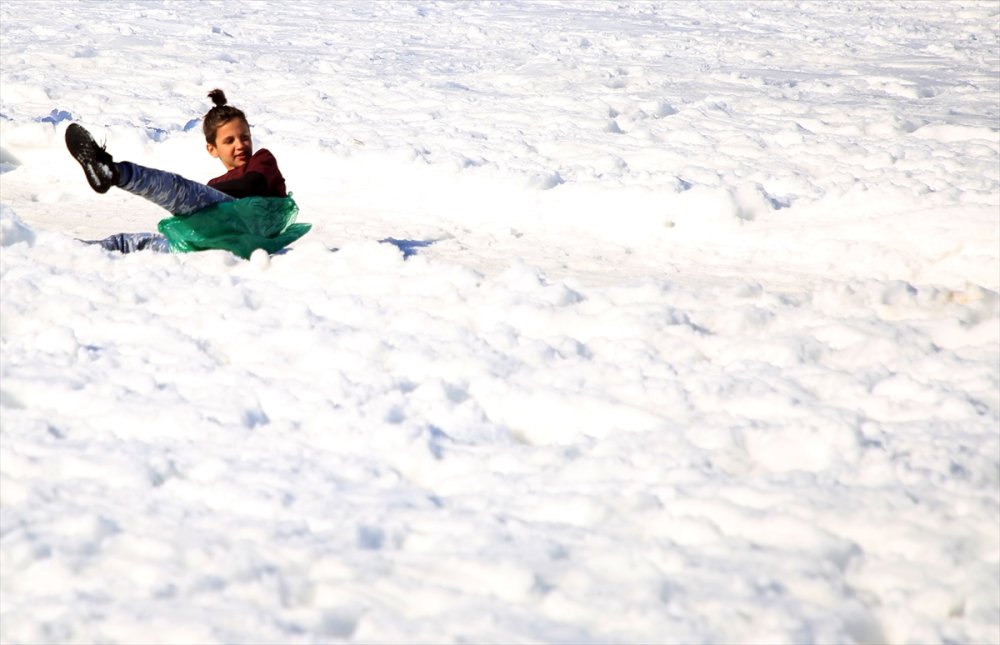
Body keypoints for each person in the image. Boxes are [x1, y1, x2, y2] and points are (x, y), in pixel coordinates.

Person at [67, 89, 305, 255]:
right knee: (134, 243)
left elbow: (252, 185)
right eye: (229, 140)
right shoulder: (215, 183)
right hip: (213, 243)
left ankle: (114, 172)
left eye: (244, 137)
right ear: (213, 149)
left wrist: (203, 193)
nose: (240, 145)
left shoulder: (262, 160)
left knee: (178, 188)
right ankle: (74, 249)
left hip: (249, 229)